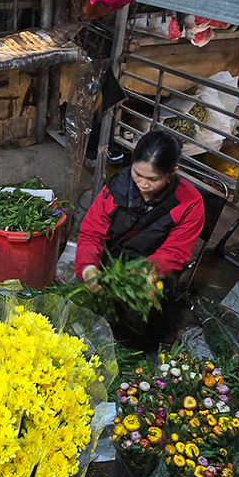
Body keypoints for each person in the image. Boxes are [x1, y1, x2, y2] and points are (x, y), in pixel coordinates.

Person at [75, 130, 205, 346]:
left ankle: (151, 346)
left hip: (155, 269)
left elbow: (175, 252)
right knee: (102, 318)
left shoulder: (189, 202)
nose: (143, 184)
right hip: (115, 260)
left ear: (172, 172)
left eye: (153, 179)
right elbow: (93, 232)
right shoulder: (117, 187)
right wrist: (88, 266)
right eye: (137, 174)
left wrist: (148, 271)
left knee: (155, 322)